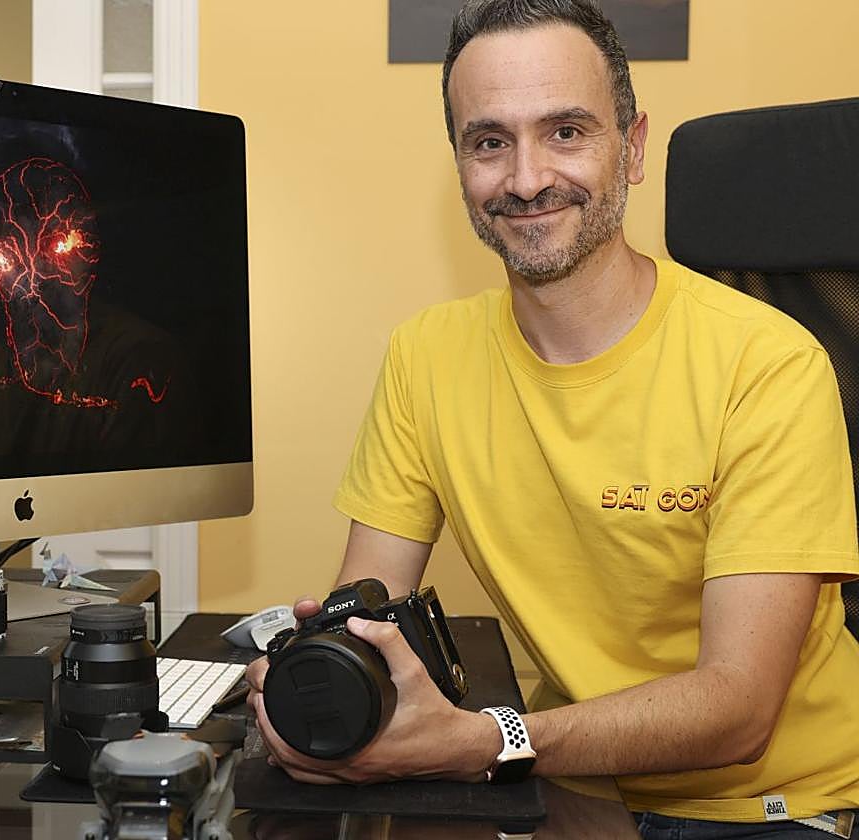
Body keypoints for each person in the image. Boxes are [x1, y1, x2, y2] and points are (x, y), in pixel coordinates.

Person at [245, 0, 859, 836]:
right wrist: (327, 678)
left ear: (633, 148)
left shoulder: (769, 365)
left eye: (566, 131)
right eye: (489, 141)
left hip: (771, 807)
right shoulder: (426, 356)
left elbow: (738, 709)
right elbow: (372, 609)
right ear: (460, 162)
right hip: (577, 783)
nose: (527, 178)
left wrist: (479, 741)